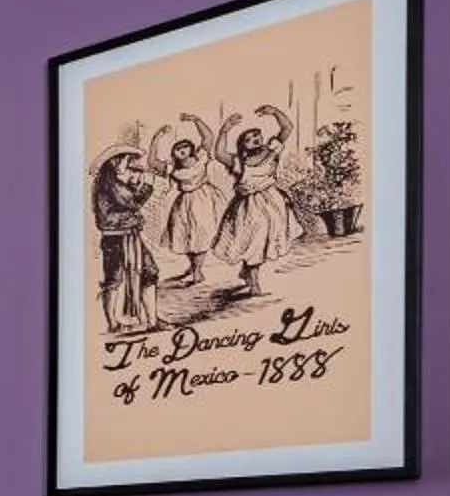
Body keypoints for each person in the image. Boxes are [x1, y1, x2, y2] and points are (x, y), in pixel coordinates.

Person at [211, 104, 299, 294]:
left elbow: (287, 128)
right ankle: (254, 282)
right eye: (248, 139)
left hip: (273, 204)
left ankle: (248, 272)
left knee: (265, 241)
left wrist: (276, 112)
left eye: (256, 136)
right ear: (243, 146)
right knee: (254, 240)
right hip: (248, 206)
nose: (254, 140)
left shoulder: (271, 151)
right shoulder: (239, 162)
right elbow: (218, 153)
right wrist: (225, 130)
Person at [91, 147, 161, 333]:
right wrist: (148, 184)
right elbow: (134, 203)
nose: (128, 163)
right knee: (115, 279)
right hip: (118, 237)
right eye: (125, 160)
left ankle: (151, 321)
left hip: (127, 235)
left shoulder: (112, 183)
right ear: (114, 163)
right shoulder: (111, 184)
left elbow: (129, 204)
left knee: (148, 272)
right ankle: (114, 323)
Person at [153, 121, 221, 286]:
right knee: (184, 235)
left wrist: (195, 120)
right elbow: (152, 162)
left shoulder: (201, 158)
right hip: (184, 201)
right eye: (177, 149)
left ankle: (198, 271)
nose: (181, 151)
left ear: (191, 148)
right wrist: (157, 137)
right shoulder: (173, 168)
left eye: (184, 147)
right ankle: (194, 267)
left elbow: (208, 137)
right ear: (174, 154)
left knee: (202, 234)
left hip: (203, 198)